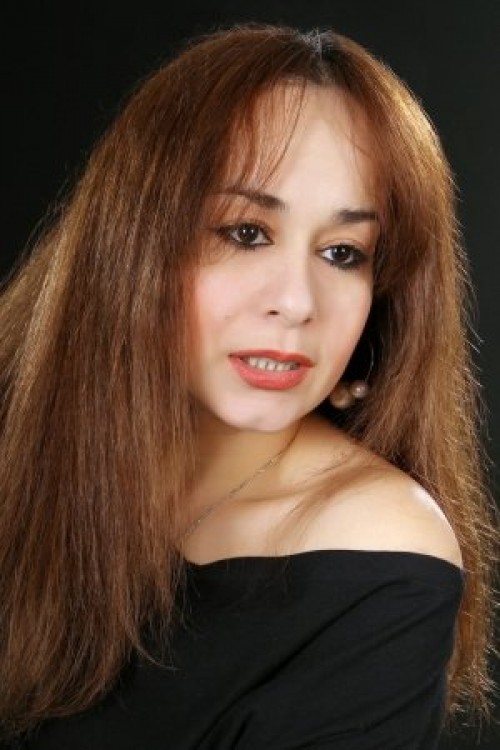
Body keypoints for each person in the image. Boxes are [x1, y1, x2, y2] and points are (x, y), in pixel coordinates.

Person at [0, 21, 497, 750]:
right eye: (246, 233)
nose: (295, 302)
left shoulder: (378, 553)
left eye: (343, 252)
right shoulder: (25, 437)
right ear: (134, 241)